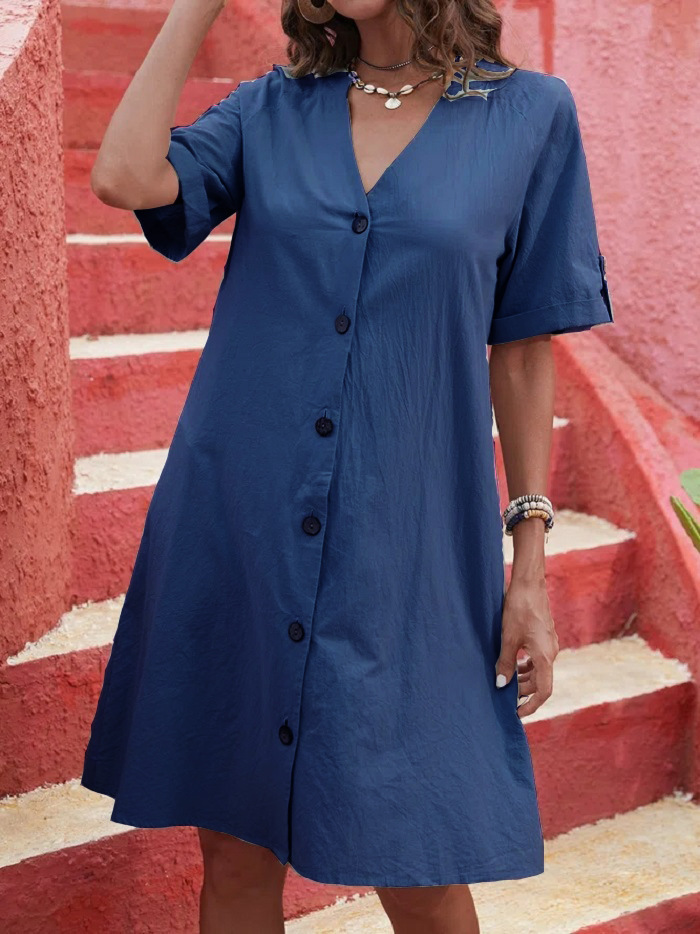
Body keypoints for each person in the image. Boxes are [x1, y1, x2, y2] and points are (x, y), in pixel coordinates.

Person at [81, 0, 615, 930]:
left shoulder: (530, 115)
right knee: (235, 852)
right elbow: (125, 175)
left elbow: (525, 351)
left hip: (407, 547)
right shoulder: (270, 108)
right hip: (238, 522)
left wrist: (529, 566)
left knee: (420, 860)